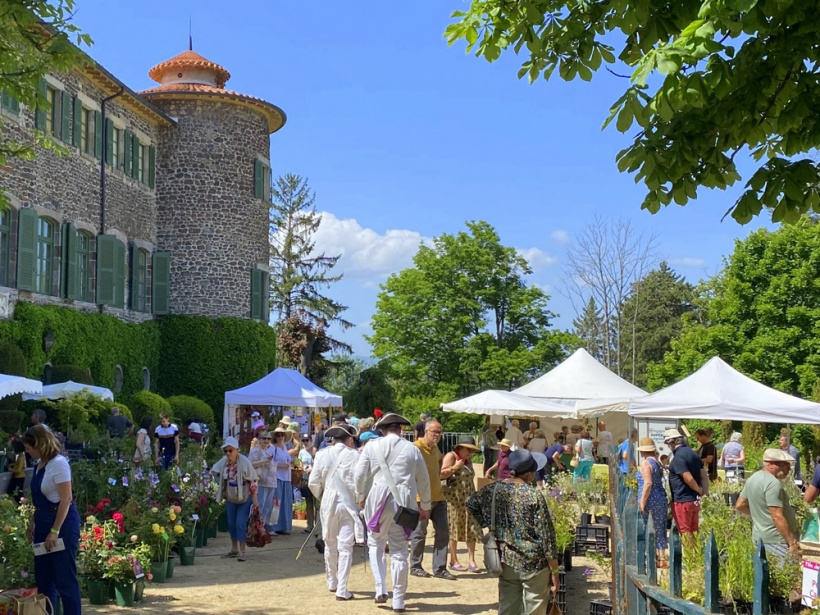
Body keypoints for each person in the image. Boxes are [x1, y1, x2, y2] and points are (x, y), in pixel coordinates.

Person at [354, 412, 431, 613]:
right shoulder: (412, 450)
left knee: (376, 543)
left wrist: (360, 496)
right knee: (399, 551)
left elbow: (359, 474)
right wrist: (426, 505)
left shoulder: (371, 446)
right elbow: (423, 479)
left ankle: (380, 588)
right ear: (401, 429)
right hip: (403, 502)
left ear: (382, 429)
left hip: (377, 498)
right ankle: (398, 599)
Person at [467, 449, 559, 615]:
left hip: (505, 559)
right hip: (534, 563)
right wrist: (554, 570)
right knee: (534, 609)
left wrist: (488, 523)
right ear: (530, 474)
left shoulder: (493, 490)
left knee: (508, 609)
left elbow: (471, 503)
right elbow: (547, 535)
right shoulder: (534, 495)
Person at [23, 425, 81, 615]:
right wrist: (33, 521)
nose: (27, 450)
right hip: (42, 521)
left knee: (64, 579)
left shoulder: (59, 463)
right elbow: (39, 498)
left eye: (29, 447)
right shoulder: (39, 464)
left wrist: (54, 531)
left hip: (62, 523)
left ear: (40, 444)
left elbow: (66, 499)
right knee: (44, 579)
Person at [309, 424, 364, 601]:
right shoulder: (355, 456)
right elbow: (360, 483)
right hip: (347, 504)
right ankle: (342, 588)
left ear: (333, 440)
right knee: (345, 547)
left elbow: (313, 482)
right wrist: (359, 500)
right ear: (349, 440)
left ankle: (332, 581)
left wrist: (323, 497)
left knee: (330, 543)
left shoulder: (322, 454)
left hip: (328, 502)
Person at [736, 449, 799, 562]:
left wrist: (759, 515)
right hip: (776, 541)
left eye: (789, 466)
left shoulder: (753, 478)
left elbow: (740, 505)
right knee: (783, 576)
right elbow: (777, 516)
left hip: (759, 537)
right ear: (771, 464)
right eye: (785, 465)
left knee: (763, 574)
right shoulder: (773, 483)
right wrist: (792, 542)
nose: (788, 469)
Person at [410, 419, 454, 581]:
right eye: (434, 431)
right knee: (420, 533)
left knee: (443, 532)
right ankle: (415, 565)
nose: (437, 435)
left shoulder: (436, 449)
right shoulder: (415, 448)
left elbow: (440, 469)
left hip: (439, 496)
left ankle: (440, 568)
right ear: (426, 432)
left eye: (439, 432)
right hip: (421, 498)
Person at [211, 436, 259, 561]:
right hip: (231, 496)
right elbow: (214, 470)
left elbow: (252, 480)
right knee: (231, 524)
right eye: (226, 451)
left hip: (244, 496)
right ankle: (234, 549)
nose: (228, 453)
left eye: (230, 450)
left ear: (237, 450)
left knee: (240, 524)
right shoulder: (224, 462)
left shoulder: (244, 462)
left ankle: (242, 551)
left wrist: (254, 498)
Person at [441, 436, 482, 573]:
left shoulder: (468, 460)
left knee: (472, 529)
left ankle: (472, 560)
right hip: (454, 500)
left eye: (472, 450)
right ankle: (453, 560)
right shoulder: (451, 456)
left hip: (468, 499)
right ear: (460, 447)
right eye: (467, 449)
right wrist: (454, 467)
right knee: (454, 529)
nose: (470, 452)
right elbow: (441, 474)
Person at [664, 428, 703, 546]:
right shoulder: (693, 454)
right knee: (694, 530)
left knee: (685, 531)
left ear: (672, 442)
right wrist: (702, 491)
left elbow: (688, 478)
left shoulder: (678, 457)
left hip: (682, 500)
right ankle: (696, 556)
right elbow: (704, 475)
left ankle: (689, 559)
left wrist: (698, 489)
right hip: (693, 499)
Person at [636, 438, 668, 568]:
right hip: (660, 496)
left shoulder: (645, 464)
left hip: (650, 498)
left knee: (647, 527)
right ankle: (661, 557)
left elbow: (648, 483)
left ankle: (650, 556)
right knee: (660, 527)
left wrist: (642, 501)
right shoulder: (657, 463)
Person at [248, 431, 277, 534]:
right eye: (264, 438)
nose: (266, 440)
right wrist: (264, 461)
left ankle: (261, 527)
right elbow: (250, 464)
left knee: (267, 507)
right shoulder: (255, 451)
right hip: (261, 482)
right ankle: (255, 528)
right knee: (260, 505)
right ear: (259, 439)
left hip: (271, 482)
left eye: (268, 439)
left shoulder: (270, 451)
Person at [269, 428, 294, 535]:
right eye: (278, 435)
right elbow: (269, 463)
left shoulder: (284, 448)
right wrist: (281, 466)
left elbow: (288, 460)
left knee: (285, 502)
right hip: (277, 478)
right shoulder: (273, 449)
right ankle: (272, 527)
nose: (280, 437)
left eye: (282, 435)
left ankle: (283, 526)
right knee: (276, 502)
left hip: (286, 478)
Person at [298, 435, 319, 534]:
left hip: (315, 480)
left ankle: (318, 527)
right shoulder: (302, 452)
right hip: (306, 479)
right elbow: (301, 465)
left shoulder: (316, 451)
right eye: (303, 440)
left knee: (317, 504)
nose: (305, 442)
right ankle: (310, 526)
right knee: (309, 504)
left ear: (311, 441)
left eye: (307, 440)